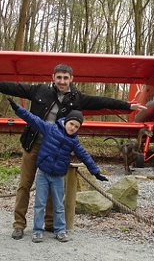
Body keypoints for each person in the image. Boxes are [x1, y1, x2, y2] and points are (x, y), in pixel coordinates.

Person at [0, 64, 147, 240]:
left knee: (52, 186)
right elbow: (11, 87)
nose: (62, 81)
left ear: (71, 79)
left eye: (65, 78)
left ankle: (49, 223)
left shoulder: (77, 99)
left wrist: (128, 106)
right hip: (33, 144)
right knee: (24, 185)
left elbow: (102, 101)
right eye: (59, 77)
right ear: (53, 77)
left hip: (56, 150)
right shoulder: (39, 91)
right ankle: (19, 225)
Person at [8, 97, 108, 243]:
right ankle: (37, 230)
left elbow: (85, 156)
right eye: (71, 123)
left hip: (58, 177)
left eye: (76, 127)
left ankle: (60, 230)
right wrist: (18, 109)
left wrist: (96, 171)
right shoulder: (50, 129)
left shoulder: (74, 141)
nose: (72, 127)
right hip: (43, 173)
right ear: (66, 121)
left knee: (58, 204)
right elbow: (33, 119)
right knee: (40, 203)